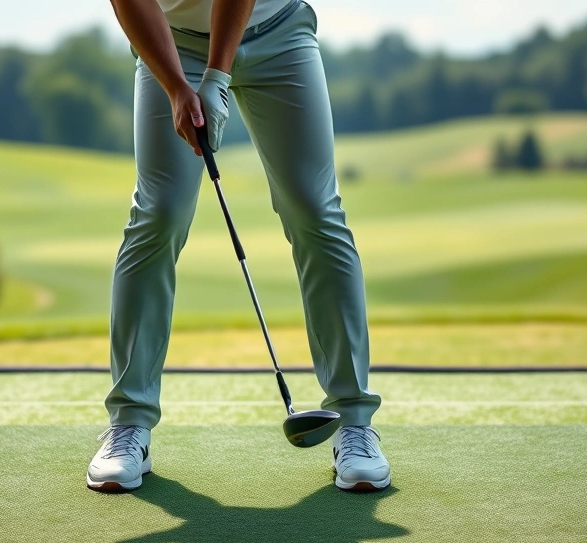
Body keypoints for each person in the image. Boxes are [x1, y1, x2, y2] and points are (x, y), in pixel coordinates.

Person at [86, 0, 388, 493]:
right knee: (159, 212)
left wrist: (217, 78)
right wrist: (177, 88)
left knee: (315, 209)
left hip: (278, 30)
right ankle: (128, 425)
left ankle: (354, 422)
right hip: (175, 43)